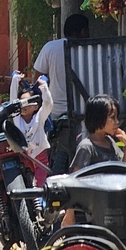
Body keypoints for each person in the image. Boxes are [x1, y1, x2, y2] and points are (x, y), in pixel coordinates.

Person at [61, 94, 126, 227]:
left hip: (115, 207)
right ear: (98, 118)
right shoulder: (87, 147)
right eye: (112, 118)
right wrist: (69, 215)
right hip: (98, 215)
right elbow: (74, 182)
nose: (117, 122)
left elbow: (124, 173)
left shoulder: (110, 142)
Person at [33, 13, 90, 174]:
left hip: (56, 114)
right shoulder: (90, 49)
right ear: (83, 32)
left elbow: (36, 80)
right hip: (84, 112)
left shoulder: (50, 47)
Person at [9, 71, 53, 185]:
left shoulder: (39, 118)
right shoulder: (17, 118)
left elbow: (48, 104)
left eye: (27, 102)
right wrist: (15, 80)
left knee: (39, 188)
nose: (23, 106)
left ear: (35, 106)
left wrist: (44, 87)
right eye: (21, 103)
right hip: (24, 157)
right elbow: (12, 99)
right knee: (25, 186)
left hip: (40, 157)